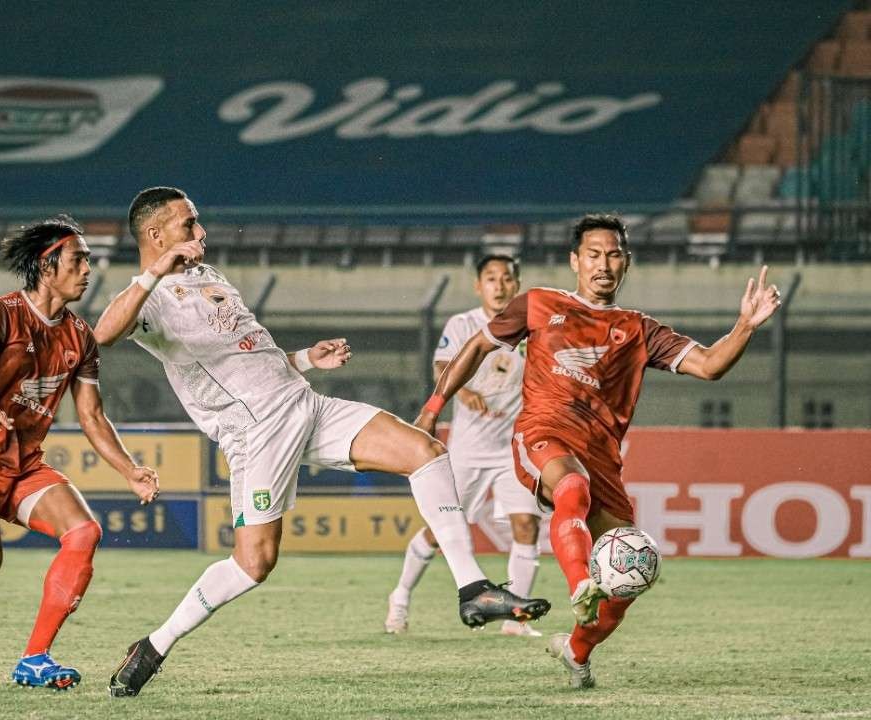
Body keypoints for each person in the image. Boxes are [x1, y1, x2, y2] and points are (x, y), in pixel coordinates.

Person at [93, 187, 552, 698]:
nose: (200, 234)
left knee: (425, 452)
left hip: (304, 404)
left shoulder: (208, 278)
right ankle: (153, 647)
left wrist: (307, 358)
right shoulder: (149, 298)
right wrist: (156, 271)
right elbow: (103, 334)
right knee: (253, 565)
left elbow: (252, 362)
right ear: (155, 236)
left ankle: (472, 589)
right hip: (257, 432)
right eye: (188, 226)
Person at [415, 214, 782, 689]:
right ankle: (579, 585)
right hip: (541, 433)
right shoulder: (539, 304)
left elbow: (710, 366)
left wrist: (745, 326)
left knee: (635, 572)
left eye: (613, 254)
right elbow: (474, 349)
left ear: (625, 263)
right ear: (575, 261)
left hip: (602, 456)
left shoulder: (639, 329)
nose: (603, 264)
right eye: (593, 254)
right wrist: (431, 409)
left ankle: (575, 650)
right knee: (571, 483)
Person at [0, 216, 160, 692]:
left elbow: (93, 418)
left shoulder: (81, 338)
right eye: (78, 259)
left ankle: (34, 658)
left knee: (84, 532)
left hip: (23, 465)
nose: (87, 269)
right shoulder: (1, 313)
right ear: (46, 264)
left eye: (88, 261)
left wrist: (130, 471)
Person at [385, 254, 546, 638]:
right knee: (440, 531)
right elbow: (443, 366)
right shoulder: (463, 324)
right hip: (469, 449)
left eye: (507, 278)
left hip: (513, 448)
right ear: (479, 286)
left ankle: (514, 620)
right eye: (491, 278)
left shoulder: (532, 328)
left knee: (527, 525)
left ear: (517, 284)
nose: (499, 285)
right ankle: (401, 596)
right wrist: (467, 391)